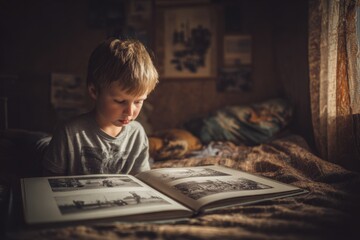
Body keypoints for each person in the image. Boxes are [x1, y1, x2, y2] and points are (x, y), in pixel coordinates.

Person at [42, 38, 159, 176]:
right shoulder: (69, 133)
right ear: (94, 91)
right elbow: (48, 182)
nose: (130, 111)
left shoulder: (137, 133)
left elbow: (141, 179)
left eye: (138, 101)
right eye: (120, 101)